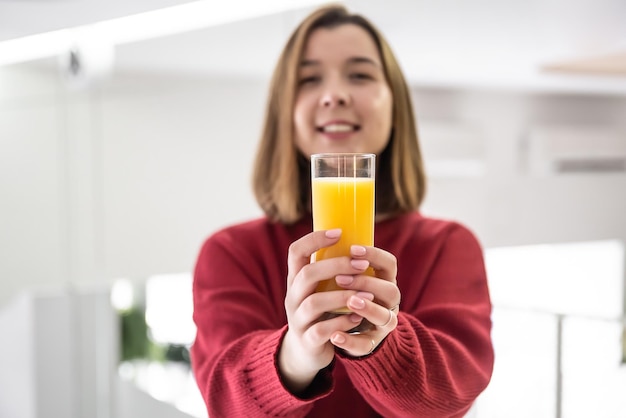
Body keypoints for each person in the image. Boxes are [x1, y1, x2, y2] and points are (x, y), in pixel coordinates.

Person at [191, 4, 494, 417]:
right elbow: (223, 401)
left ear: (395, 104)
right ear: (286, 112)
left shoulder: (448, 245)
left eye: (360, 74)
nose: (335, 94)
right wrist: (294, 357)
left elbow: (454, 393)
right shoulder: (231, 252)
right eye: (310, 78)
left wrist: (383, 339)